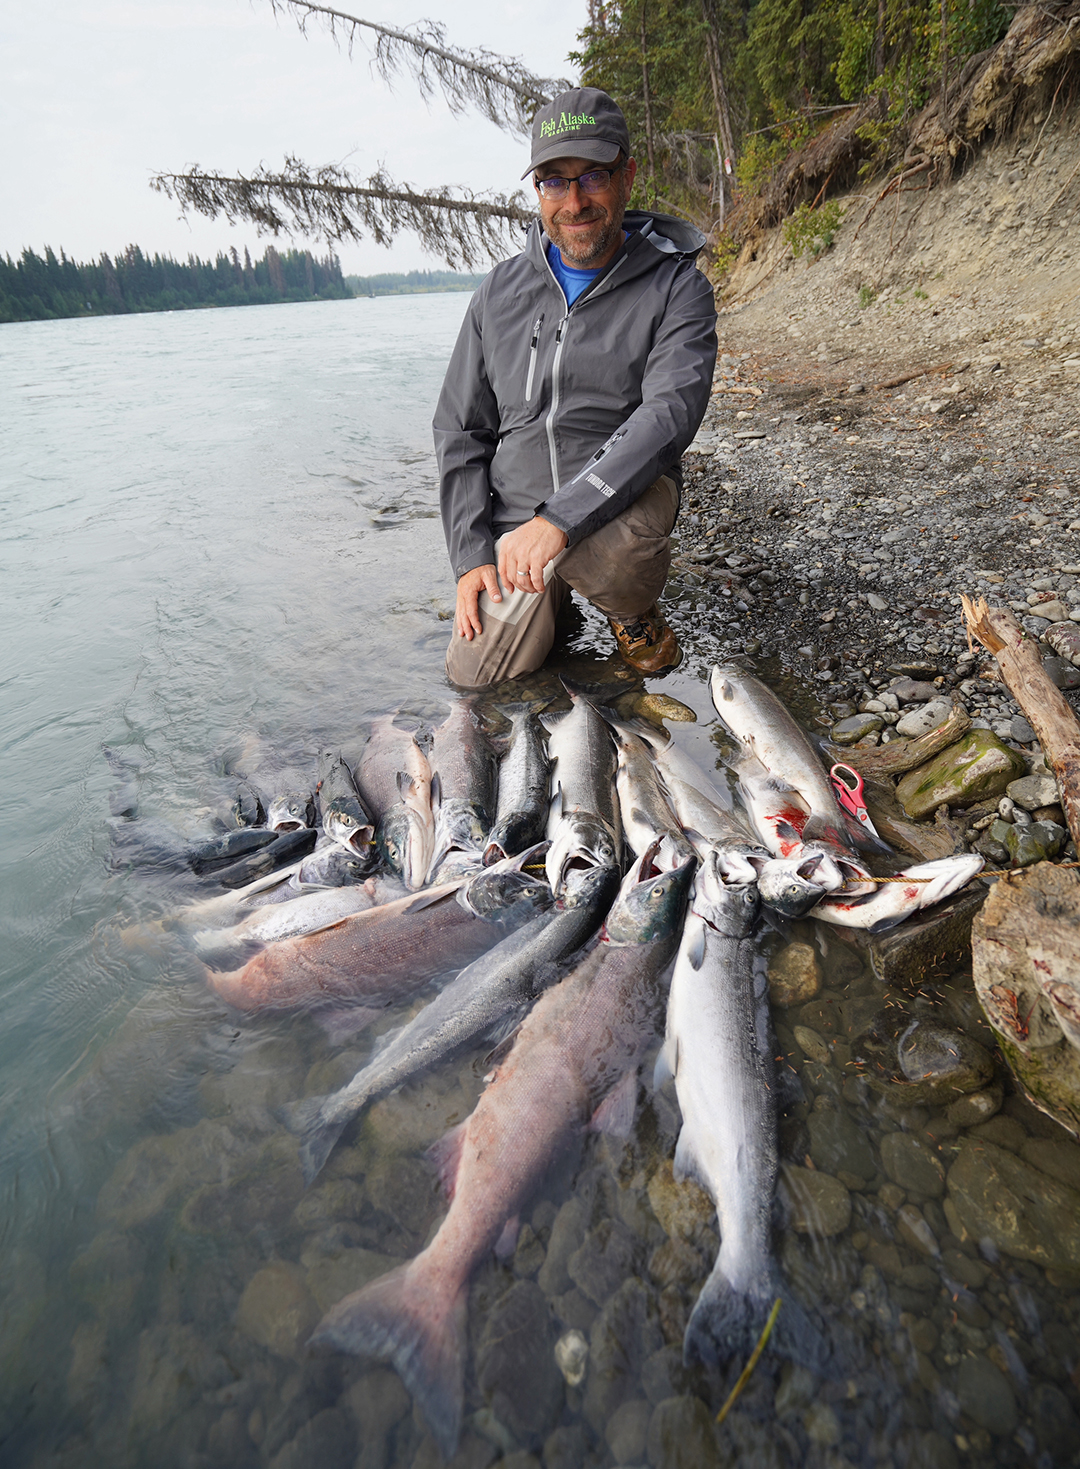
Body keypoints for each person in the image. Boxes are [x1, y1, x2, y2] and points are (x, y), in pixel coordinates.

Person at [434, 86, 717, 688]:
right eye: (554, 182)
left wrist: (559, 518)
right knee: (475, 684)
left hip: (617, 506)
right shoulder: (497, 294)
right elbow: (461, 430)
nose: (574, 201)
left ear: (627, 175)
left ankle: (630, 611)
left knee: (612, 553)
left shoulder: (677, 288)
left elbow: (669, 414)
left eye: (592, 176)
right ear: (537, 190)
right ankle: (549, 606)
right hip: (516, 526)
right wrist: (471, 556)